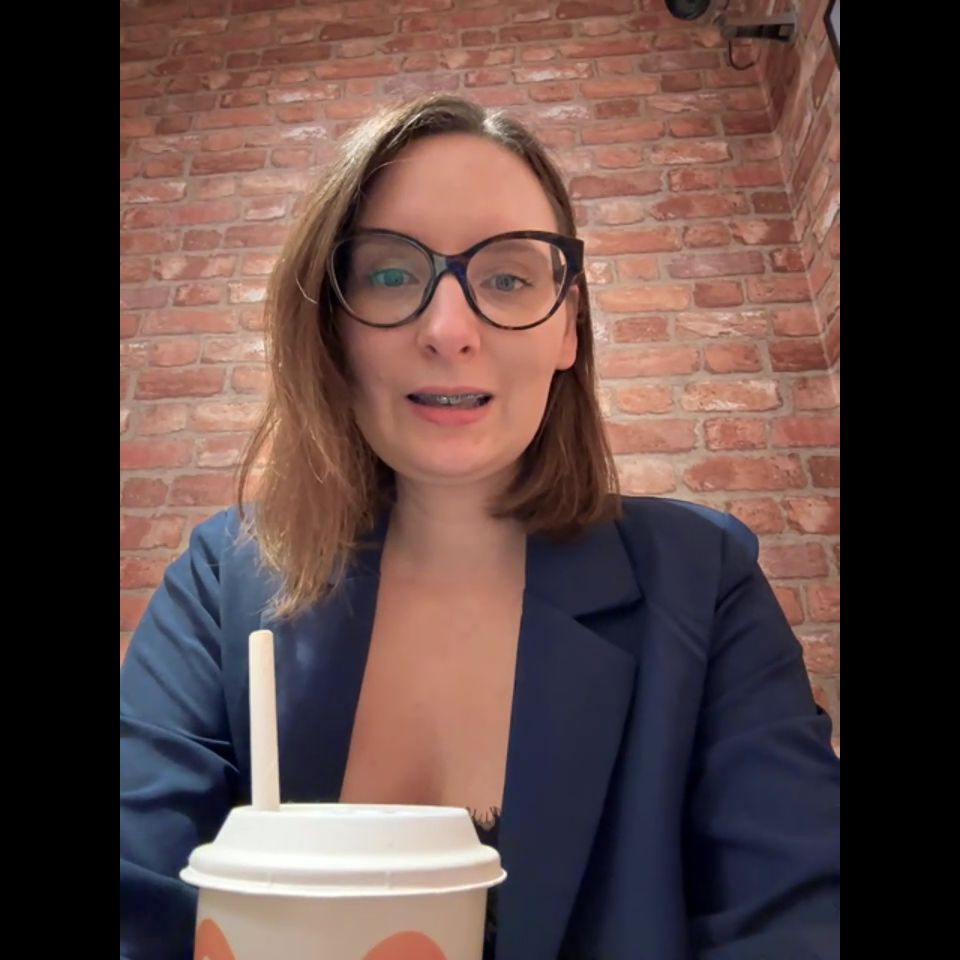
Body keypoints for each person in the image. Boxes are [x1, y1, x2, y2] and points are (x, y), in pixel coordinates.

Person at [120, 94, 840, 960]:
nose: (448, 330)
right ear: (333, 327)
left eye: (507, 277)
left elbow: (800, 919)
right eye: (390, 275)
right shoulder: (222, 580)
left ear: (568, 326)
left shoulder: (703, 579)